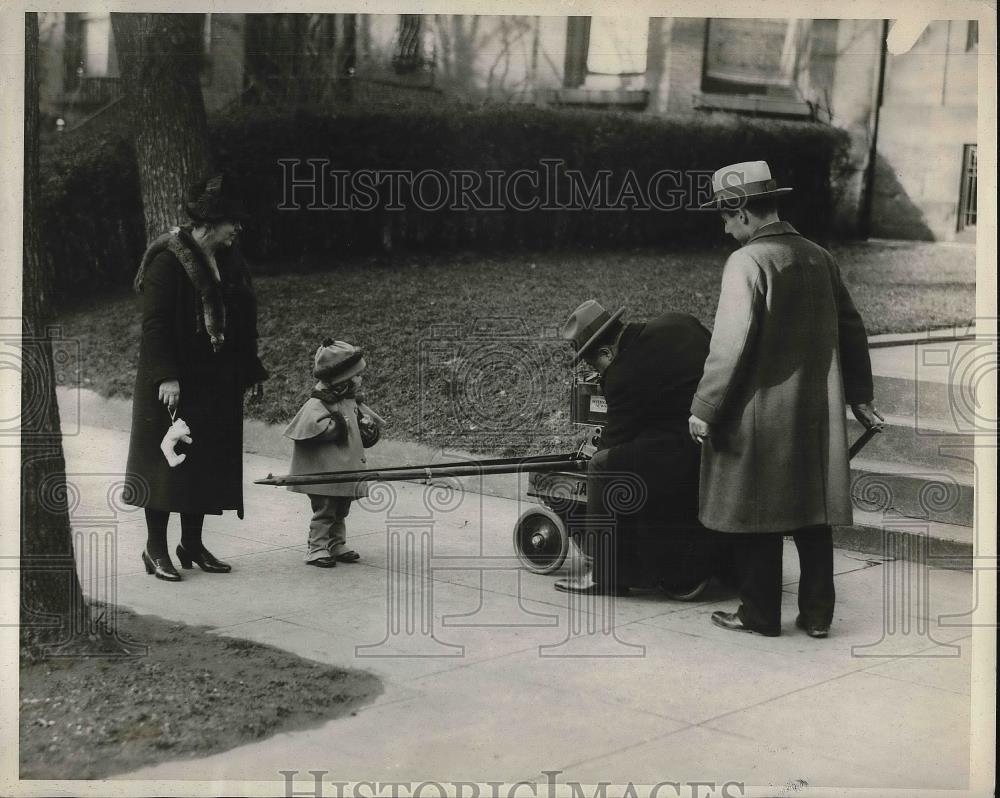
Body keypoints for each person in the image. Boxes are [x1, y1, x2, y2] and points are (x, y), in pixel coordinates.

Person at [688, 160, 882, 637]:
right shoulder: (819, 255)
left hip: (762, 410)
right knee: (812, 511)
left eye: (725, 217)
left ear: (744, 213)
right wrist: (859, 395)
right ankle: (817, 616)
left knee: (757, 509)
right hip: (817, 407)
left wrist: (704, 408)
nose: (724, 227)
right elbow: (852, 327)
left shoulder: (748, 261)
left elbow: (731, 343)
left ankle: (759, 613)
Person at [124, 174, 269, 581]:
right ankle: (155, 550)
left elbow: (244, 316)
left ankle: (191, 544)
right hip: (173, 381)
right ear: (210, 221)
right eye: (232, 222)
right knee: (166, 462)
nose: (238, 229)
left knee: (204, 462)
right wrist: (165, 376)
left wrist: (250, 367)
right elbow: (154, 325)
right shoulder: (168, 259)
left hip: (215, 378)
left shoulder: (229, 259)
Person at [555, 300, 722, 596]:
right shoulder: (678, 321)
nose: (598, 374)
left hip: (687, 447)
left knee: (603, 465)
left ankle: (604, 573)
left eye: (596, 366)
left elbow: (613, 441)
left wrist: (590, 456)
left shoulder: (622, 375)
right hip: (719, 429)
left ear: (607, 353)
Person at [283, 340, 383, 568]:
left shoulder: (348, 400)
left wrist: (366, 428)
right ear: (342, 378)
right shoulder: (319, 403)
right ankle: (316, 547)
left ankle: (337, 543)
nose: (360, 379)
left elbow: (361, 427)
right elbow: (312, 429)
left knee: (342, 508)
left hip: (344, 468)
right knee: (325, 509)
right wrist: (340, 425)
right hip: (324, 471)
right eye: (356, 375)